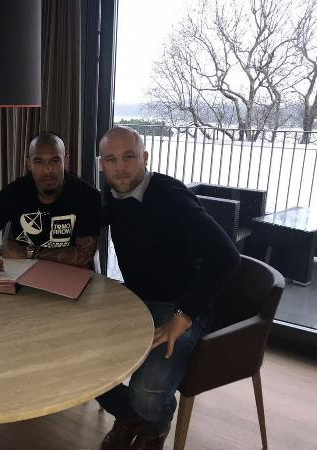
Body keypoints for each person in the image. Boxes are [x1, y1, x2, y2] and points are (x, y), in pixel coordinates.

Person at [97, 126, 240, 450]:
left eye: (129, 157)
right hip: (135, 301)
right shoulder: (112, 194)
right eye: (111, 159)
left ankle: (155, 425)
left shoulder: (169, 195)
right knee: (80, 358)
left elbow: (226, 255)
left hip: (181, 305)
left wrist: (184, 315)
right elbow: (92, 219)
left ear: (145, 157)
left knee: (148, 393)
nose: (121, 167)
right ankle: (131, 416)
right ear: (102, 164)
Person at [0, 131, 101, 275]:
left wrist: (28, 252)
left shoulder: (87, 196)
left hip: (72, 277)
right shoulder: (12, 193)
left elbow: (85, 257)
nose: (47, 170)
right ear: (29, 164)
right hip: (22, 276)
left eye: (55, 161)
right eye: (39, 162)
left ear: (65, 162)